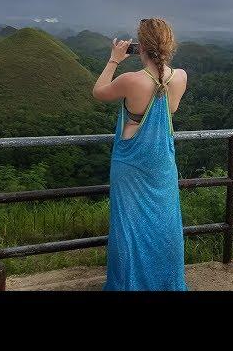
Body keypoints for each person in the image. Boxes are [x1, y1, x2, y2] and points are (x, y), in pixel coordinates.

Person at [92, 17, 188, 291]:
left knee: (129, 226)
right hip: (161, 160)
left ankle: (129, 284)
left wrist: (114, 60)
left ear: (141, 46)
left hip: (131, 160)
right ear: (169, 46)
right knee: (165, 222)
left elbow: (98, 92)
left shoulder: (131, 80)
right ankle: (164, 283)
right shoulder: (180, 77)